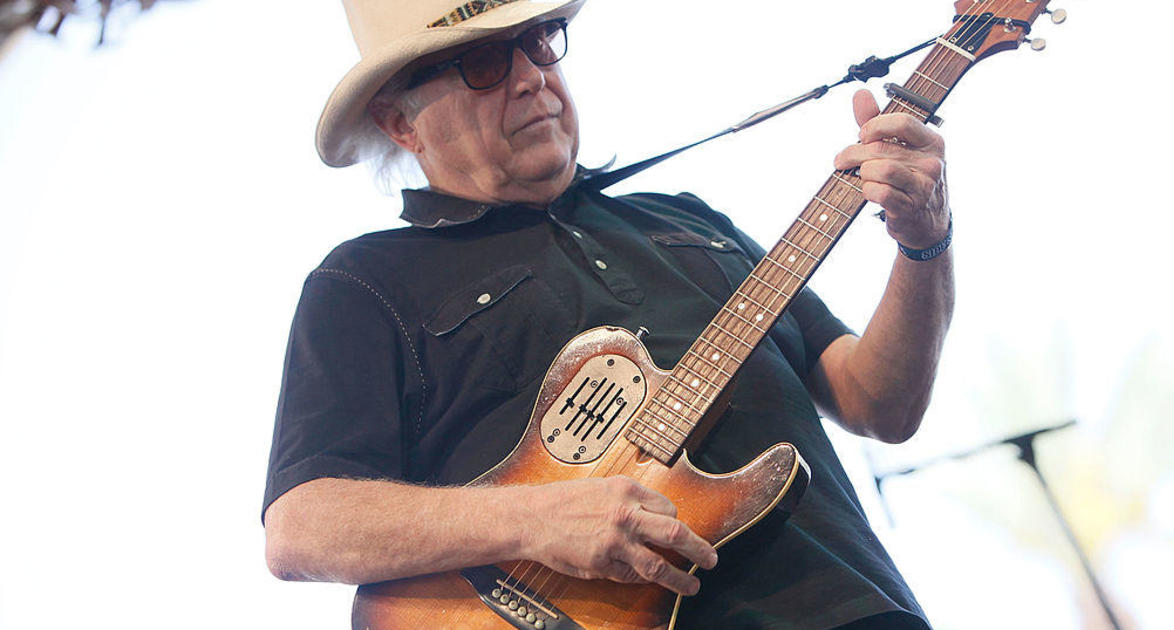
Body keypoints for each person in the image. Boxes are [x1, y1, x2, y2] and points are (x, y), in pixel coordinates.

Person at [262, 1, 953, 628]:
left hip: (854, 608)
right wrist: (534, 521)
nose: (532, 76)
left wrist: (926, 241)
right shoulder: (365, 280)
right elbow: (302, 527)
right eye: (482, 63)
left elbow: (880, 404)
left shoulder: (687, 220)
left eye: (539, 42)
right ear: (399, 120)